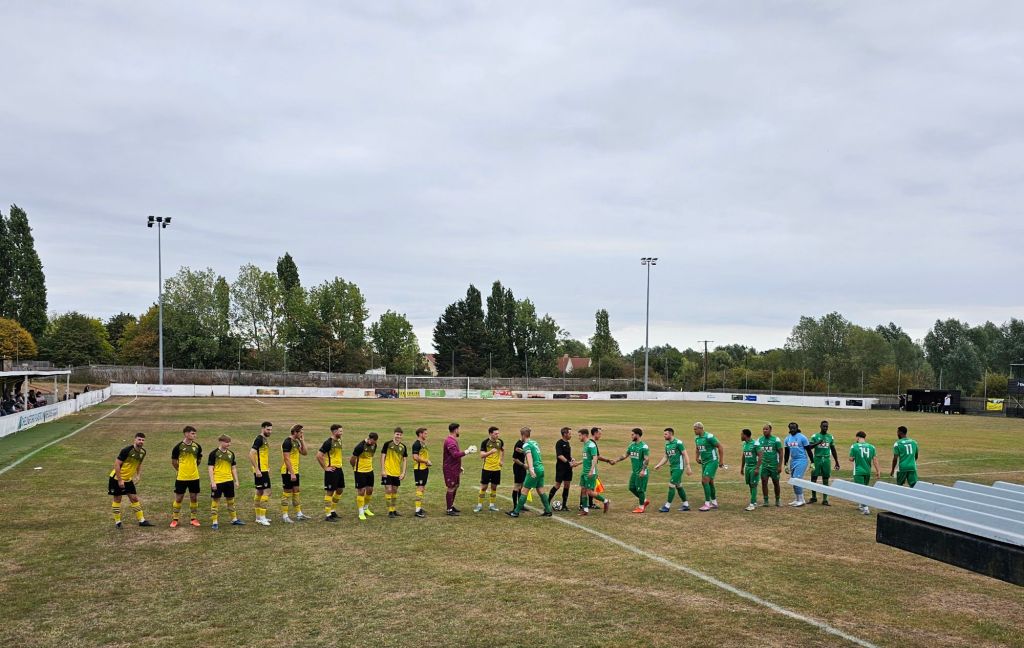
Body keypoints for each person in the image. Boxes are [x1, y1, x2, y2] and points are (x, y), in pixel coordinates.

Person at [108, 433, 154, 527]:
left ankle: (142, 521)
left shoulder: (143, 452)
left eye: (142, 440)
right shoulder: (126, 450)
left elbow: (139, 464)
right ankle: (118, 522)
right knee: (117, 499)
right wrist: (120, 480)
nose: (141, 441)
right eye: (139, 439)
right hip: (116, 478)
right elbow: (117, 464)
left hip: (128, 479)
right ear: (135, 440)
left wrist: (138, 475)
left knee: (134, 498)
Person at [508, 427, 553, 517]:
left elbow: (529, 456)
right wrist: (523, 451)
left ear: (523, 435)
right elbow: (533, 453)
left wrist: (531, 469)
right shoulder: (534, 442)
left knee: (524, 490)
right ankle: (548, 510)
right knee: (540, 489)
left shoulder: (526, 445)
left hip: (535, 469)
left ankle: (516, 512)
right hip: (541, 468)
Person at [170, 425, 203, 528]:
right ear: (186, 434)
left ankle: (193, 519)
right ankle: (175, 519)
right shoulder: (178, 447)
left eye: (195, 433)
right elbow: (174, 461)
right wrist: (180, 470)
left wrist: (193, 468)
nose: (195, 435)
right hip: (182, 477)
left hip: (194, 477)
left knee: (194, 498)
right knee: (179, 498)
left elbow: (199, 460)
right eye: (193, 433)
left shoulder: (197, 446)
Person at [207, 434, 243, 529]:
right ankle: (215, 522)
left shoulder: (231, 454)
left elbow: (233, 468)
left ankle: (234, 519)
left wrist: (236, 480)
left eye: (229, 442)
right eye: (227, 442)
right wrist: (213, 482)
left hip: (229, 481)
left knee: (231, 501)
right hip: (218, 481)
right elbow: (210, 468)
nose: (229, 444)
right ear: (221, 442)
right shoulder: (213, 454)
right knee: (215, 502)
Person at [654, 427, 692, 512]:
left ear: (671, 434)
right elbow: (666, 457)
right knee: (679, 486)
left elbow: (685, 454)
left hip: (679, 468)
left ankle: (667, 506)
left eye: (665, 434)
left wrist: (688, 466)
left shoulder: (678, 443)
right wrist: (659, 465)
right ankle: (686, 505)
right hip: (672, 468)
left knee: (671, 485)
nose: (664, 436)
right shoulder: (667, 444)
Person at [442, 422, 477, 516]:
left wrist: (458, 466)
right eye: (458, 429)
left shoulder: (453, 440)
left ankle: (451, 505)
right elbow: (455, 455)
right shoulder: (450, 441)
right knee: (451, 487)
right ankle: (449, 509)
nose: (459, 431)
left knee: (456, 486)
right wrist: (467, 451)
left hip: (454, 467)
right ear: (455, 430)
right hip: (450, 469)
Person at [613, 428, 651, 513]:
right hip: (634, 472)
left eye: (632, 434)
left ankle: (641, 507)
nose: (631, 436)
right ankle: (644, 500)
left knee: (640, 490)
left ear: (637, 435)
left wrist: (643, 470)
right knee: (631, 487)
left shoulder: (644, 446)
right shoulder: (631, 445)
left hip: (641, 472)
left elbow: (647, 459)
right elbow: (625, 455)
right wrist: (616, 460)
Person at [693, 422, 725, 511]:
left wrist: (721, 461)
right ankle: (714, 502)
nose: (694, 431)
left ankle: (707, 504)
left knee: (704, 481)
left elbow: (720, 447)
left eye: (695, 429)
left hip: (712, 461)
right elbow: (697, 448)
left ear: (700, 429)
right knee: (710, 482)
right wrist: (697, 457)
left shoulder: (709, 437)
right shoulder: (697, 439)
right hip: (704, 462)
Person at [280, 424, 309, 522]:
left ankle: (299, 514)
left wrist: (302, 440)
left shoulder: (296, 441)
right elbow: (286, 458)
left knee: (296, 492)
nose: (302, 434)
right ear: (295, 432)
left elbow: (305, 453)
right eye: (300, 432)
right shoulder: (287, 442)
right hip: (288, 472)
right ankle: (285, 516)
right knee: (287, 493)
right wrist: (292, 473)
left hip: (295, 471)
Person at [808, 420, 841, 505]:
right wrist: (817, 443)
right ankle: (814, 497)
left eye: (826, 426)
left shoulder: (830, 437)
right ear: (820, 426)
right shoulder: (815, 436)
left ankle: (825, 499)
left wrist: (837, 462)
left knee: (825, 478)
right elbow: (809, 447)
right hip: (817, 459)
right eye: (824, 426)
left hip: (826, 459)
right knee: (814, 478)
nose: (825, 428)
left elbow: (833, 450)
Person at [316, 424, 345, 521]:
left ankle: (332, 510)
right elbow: (319, 455)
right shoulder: (328, 442)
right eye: (340, 431)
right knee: (330, 492)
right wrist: (325, 468)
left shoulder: (339, 440)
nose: (342, 433)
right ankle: (328, 515)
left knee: (340, 489)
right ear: (334, 432)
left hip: (339, 469)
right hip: (332, 470)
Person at [577, 428, 609, 516]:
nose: (578, 437)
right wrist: (577, 463)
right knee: (583, 490)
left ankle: (605, 501)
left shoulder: (591, 445)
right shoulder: (585, 444)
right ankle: (585, 510)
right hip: (584, 472)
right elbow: (586, 458)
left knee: (589, 492)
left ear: (584, 435)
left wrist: (591, 470)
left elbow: (595, 457)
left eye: (579, 435)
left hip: (590, 472)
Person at [849, 431, 881, 515]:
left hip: (858, 471)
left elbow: (851, 459)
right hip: (867, 471)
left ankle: (866, 508)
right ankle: (861, 505)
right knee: (865, 489)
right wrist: (878, 471)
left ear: (857, 437)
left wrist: (855, 457)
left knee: (860, 490)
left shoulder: (854, 446)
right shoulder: (871, 447)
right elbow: (875, 460)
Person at [249, 421, 273, 526]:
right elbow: (251, 454)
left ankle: (258, 517)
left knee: (259, 492)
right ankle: (262, 518)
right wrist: (257, 469)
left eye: (271, 430)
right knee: (267, 492)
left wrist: (267, 467)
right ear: (262, 428)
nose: (270, 431)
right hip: (260, 471)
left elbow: (262, 455)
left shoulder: (264, 439)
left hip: (263, 469)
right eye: (268, 429)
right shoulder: (259, 439)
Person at [380, 427, 408, 518]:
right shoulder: (387, 444)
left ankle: (393, 509)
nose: (398, 436)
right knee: (389, 490)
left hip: (397, 472)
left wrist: (403, 473)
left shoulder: (403, 447)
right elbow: (382, 457)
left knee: (395, 491)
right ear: (394, 434)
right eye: (397, 434)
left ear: (402, 436)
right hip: (387, 471)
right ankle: (390, 511)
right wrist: (383, 470)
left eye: (400, 435)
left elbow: (405, 460)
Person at [350, 432, 379, 520]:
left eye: (374, 442)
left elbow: (371, 456)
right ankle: (361, 512)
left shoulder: (374, 445)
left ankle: (366, 508)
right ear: (369, 439)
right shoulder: (360, 446)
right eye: (372, 441)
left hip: (369, 470)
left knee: (370, 490)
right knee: (361, 491)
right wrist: (355, 468)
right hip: (360, 471)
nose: (373, 443)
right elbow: (352, 460)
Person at [783, 422, 812, 507]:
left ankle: (801, 500)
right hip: (793, 461)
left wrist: (812, 462)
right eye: (791, 428)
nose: (792, 430)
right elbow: (787, 453)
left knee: (797, 479)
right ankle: (797, 499)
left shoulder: (802, 437)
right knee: (793, 480)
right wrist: (785, 464)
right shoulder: (787, 439)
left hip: (802, 460)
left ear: (797, 428)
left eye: (794, 428)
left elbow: (809, 450)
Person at [475, 426, 504, 513]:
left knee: (494, 487)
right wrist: (490, 452)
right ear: (490, 434)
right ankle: (479, 505)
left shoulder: (500, 442)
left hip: (497, 469)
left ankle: (492, 505)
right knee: (484, 487)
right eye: (495, 434)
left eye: (498, 433)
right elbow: (481, 455)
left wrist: (501, 460)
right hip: (487, 468)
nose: (497, 435)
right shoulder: (485, 442)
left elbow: (502, 450)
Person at [756, 424, 783, 507]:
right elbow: (756, 452)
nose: (764, 431)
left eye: (766, 429)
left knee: (776, 482)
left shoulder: (776, 440)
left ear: (770, 430)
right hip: (764, 465)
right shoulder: (759, 440)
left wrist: (779, 466)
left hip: (774, 465)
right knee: (764, 482)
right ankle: (766, 501)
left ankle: (777, 500)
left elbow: (781, 452)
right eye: (763, 429)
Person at [548, 427, 574, 511]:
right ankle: (547, 503)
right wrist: (568, 462)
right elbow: (559, 455)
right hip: (561, 468)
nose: (571, 435)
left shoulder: (568, 443)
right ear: (565, 434)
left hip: (568, 468)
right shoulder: (559, 443)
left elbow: (567, 455)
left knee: (567, 485)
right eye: (569, 433)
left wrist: (571, 459)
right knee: (557, 485)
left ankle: (564, 505)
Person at [411, 427, 431, 518]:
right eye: (425, 433)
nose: (426, 435)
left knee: (422, 488)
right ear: (420, 434)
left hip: (424, 468)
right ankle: (417, 510)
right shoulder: (416, 444)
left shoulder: (423, 443)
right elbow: (415, 457)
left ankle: (419, 508)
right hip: (419, 469)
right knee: (420, 488)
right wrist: (426, 461)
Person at [739, 429, 759, 511]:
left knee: (753, 485)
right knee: (750, 485)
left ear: (745, 435)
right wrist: (742, 467)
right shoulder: (744, 444)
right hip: (747, 467)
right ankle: (754, 502)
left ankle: (752, 504)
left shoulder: (755, 444)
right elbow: (744, 456)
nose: (740, 436)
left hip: (754, 466)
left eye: (741, 434)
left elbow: (761, 455)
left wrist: (757, 468)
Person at [510, 431, 527, 511]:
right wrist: (523, 465)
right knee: (517, 486)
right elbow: (514, 459)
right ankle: (515, 506)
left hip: (522, 468)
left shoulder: (524, 444)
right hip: (518, 468)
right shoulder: (518, 444)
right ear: (523, 435)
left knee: (522, 486)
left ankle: (521, 505)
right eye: (526, 436)